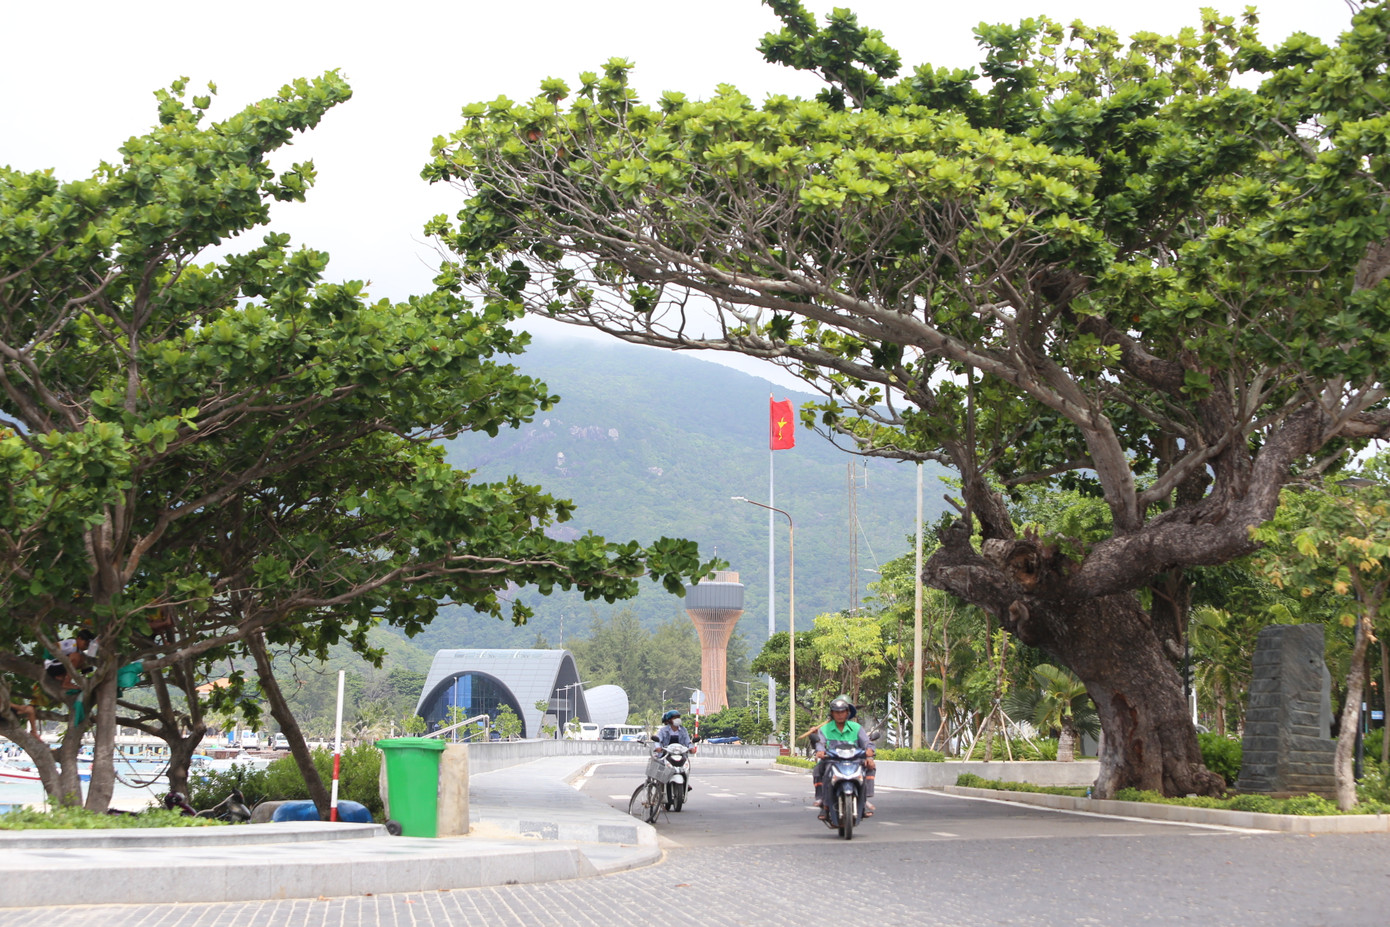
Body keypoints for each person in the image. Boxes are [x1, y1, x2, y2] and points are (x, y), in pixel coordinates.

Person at [810, 696, 876, 820]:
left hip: (855, 761)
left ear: (847, 713)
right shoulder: (824, 729)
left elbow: (867, 743)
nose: (840, 715)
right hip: (832, 761)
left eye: (842, 712)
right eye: (836, 712)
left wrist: (869, 752)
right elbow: (820, 743)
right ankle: (823, 803)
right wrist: (820, 751)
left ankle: (864, 800)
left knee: (870, 766)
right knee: (818, 769)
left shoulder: (856, 728)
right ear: (832, 714)